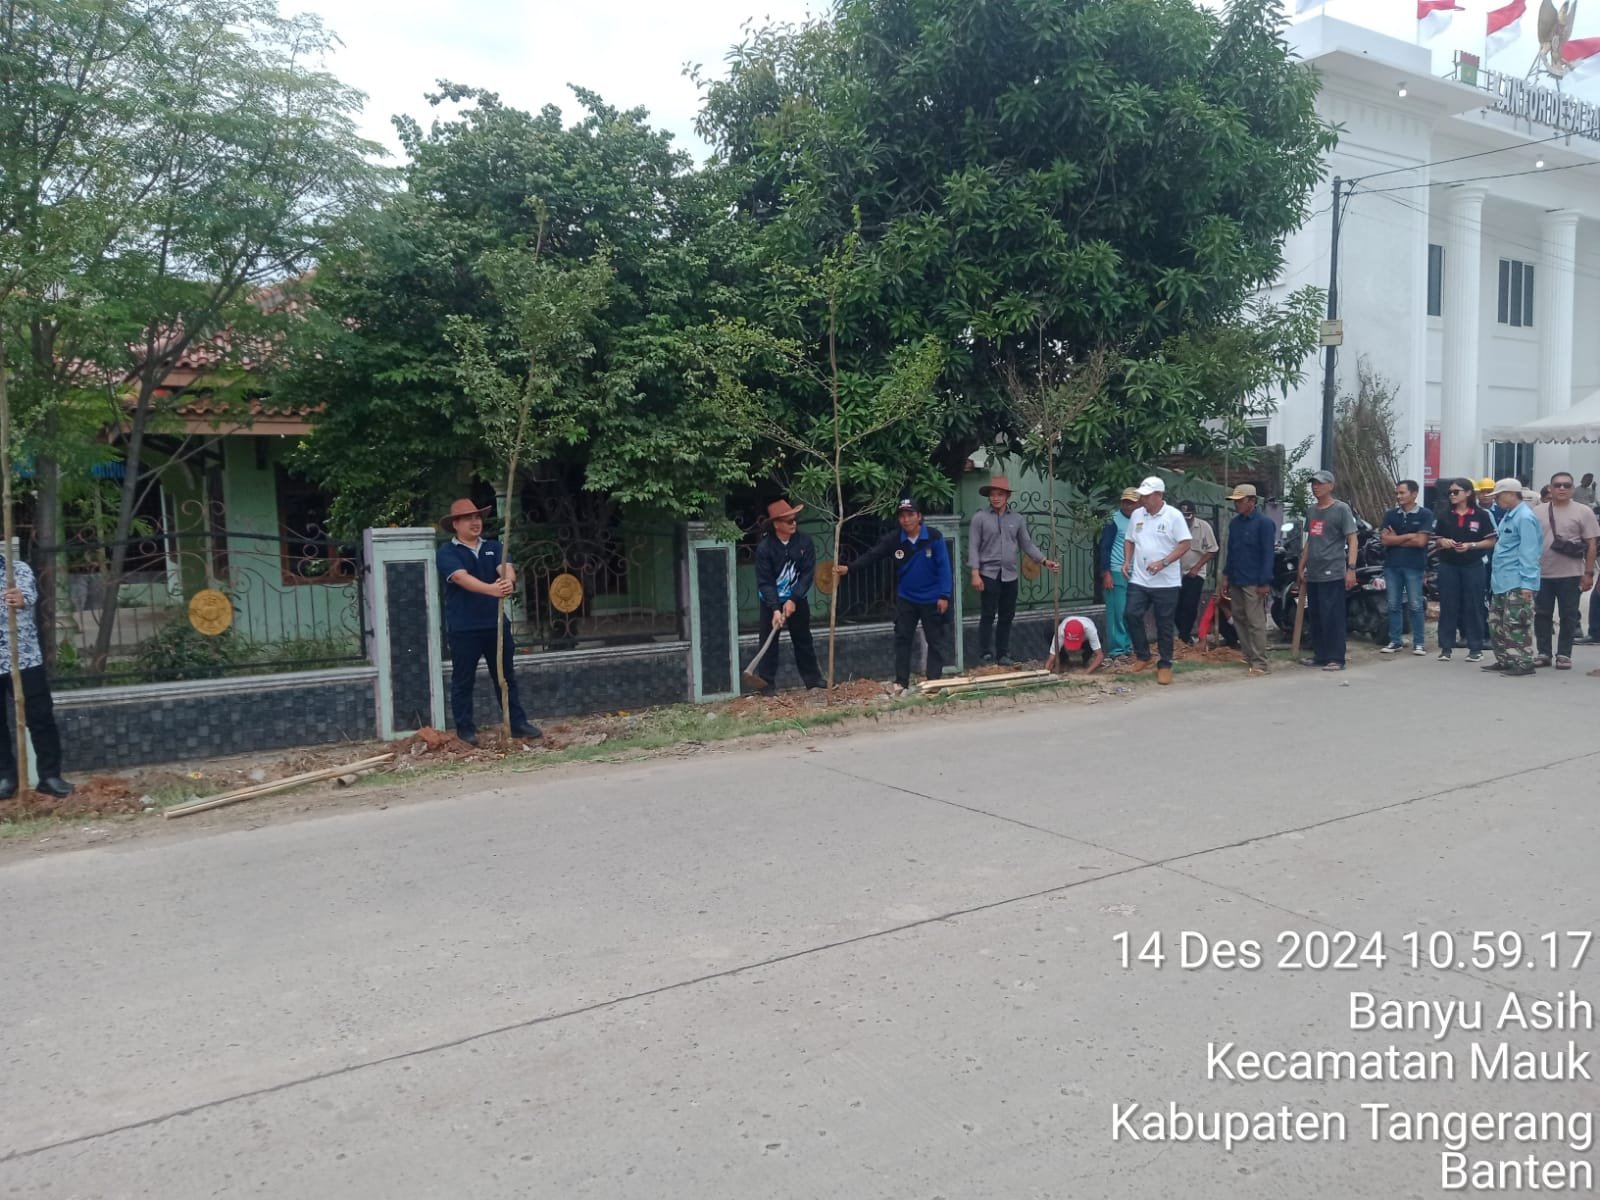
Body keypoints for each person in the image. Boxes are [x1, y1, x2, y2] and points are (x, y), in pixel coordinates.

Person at [435, 498, 540, 745]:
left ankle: (517, 723)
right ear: (455, 524)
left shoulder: (494, 546)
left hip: (496, 625)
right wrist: (492, 590)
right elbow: (461, 578)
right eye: (468, 518)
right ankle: (465, 729)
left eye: (477, 517)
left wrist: (508, 583)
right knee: (463, 680)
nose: (475, 522)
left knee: (505, 678)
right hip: (464, 628)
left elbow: (507, 569)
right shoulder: (447, 552)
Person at [835, 497, 953, 695]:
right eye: (902, 516)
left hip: (932, 598)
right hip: (907, 598)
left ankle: (933, 681)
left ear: (919, 516)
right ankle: (901, 682)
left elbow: (944, 568)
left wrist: (944, 595)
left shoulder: (934, 537)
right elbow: (872, 555)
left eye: (910, 515)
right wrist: (850, 568)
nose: (906, 520)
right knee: (902, 639)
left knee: (935, 641)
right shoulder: (894, 539)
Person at [0, 553, 74, 800]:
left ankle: (50, 777)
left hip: (25, 658)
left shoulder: (17, 569)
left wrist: (20, 599)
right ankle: (5, 777)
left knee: (41, 717)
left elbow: (28, 597)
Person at [968, 475, 1058, 666]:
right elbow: (973, 546)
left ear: (1007, 496)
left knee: (1007, 615)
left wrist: (1044, 561)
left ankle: (1003, 653)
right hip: (988, 573)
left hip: (1010, 574)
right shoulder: (980, 518)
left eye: (1000, 494)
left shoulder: (1017, 519)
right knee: (988, 614)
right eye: (993, 494)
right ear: (989, 497)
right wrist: (975, 573)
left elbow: (1026, 544)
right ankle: (984, 652)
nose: (996, 498)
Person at [1121, 476, 1190, 686]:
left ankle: (1165, 664)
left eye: (1147, 496)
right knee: (1131, 614)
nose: (1143, 499)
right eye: (1142, 496)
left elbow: (1185, 543)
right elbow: (1129, 540)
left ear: (1159, 495)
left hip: (1166, 583)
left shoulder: (1174, 516)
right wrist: (1127, 561)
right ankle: (1143, 655)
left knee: (1164, 624)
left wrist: (1164, 562)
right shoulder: (1137, 515)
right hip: (1140, 579)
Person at [752, 498, 824, 694]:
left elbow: (807, 573)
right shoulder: (765, 548)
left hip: (797, 600)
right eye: (788, 521)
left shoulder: (804, 542)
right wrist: (775, 609)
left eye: (794, 519)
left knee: (803, 640)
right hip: (771, 602)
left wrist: (793, 599)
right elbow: (765, 582)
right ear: (776, 524)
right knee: (768, 643)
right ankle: (766, 685)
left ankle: (813, 680)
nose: (794, 523)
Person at [1533, 471, 1599, 670]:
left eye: (1567, 485)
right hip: (1541, 573)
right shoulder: (1537, 511)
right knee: (1542, 614)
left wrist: (1588, 573)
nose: (1562, 488)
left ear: (1572, 489)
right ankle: (1543, 653)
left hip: (1571, 574)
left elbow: (1592, 544)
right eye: (1558, 485)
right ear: (1550, 488)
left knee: (1568, 616)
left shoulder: (1584, 512)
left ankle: (1564, 654)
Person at [1297, 469, 1358, 672]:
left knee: (1332, 615)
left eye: (1320, 483)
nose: (1315, 487)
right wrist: (1302, 565)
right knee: (1316, 615)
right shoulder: (1311, 511)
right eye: (1313, 483)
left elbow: (1352, 539)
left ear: (1331, 486)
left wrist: (1351, 569)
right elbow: (1310, 540)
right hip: (1314, 572)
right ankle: (1320, 655)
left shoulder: (1341, 509)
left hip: (1333, 571)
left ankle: (1336, 657)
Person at [1484, 478, 1542, 677]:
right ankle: (1505, 659)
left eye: (1499, 496)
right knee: (1497, 623)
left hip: (1518, 581)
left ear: (1511, 494)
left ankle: (1524, 662)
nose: (1496, 500)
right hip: (1501, 581)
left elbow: (1530, 552)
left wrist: (1528, 583)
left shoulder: (1525, 517)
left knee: (1517, 623)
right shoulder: (1509, 516)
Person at [1433, 477, 1495, 663]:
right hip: (1448, 565)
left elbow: (1491, 541)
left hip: (1473, 565)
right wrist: (1442, 541)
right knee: (1448, 605)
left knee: (1474, 605)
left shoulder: (1481, 515)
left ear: (1468, 493)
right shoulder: (1444, 515)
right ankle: (1446, 647)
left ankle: (1475, 647)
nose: (1452, 495)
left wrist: (1471, 545)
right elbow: (1435, 538)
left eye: (1456, 492)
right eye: (1450, 492)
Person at [1218, 483, 1275, 676]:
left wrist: (1264, 582)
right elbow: (1231, 552)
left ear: (1252, 501)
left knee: (1255, 621)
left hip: (1254, 580)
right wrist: (1226, 576)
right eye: (1235, 501)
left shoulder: (1264, 523)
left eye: (1240, 501)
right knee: (1239, 618)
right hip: (1236, 578)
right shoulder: (1235, 524)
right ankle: (1249, 656)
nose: (1237, 505)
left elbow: (1268, 554)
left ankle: (1260, 662)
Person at [1379, 479, 1436, 656]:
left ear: (1414, 494)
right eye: (1397, 493)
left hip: (1414, 565)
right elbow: (1384, 540)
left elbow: (1421, 542)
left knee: (1415, 604)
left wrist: (1396, 539)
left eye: (1402, 493)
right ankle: (1395, 640)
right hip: (1392, 565)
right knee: (1393, 604)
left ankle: (1419, 643)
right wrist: (1409, 536)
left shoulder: (1425, 514)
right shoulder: (1390, 515)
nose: (1398, 496)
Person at [1096, 488, 1138, 660]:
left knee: (1130, 611)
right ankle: (1117, 649)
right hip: (1116, 570)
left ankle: (1127, 646)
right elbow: (1105, 547)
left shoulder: (1140, 520)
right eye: (1125, 502)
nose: (1128, 505)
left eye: (1131, 502)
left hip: (1135, 572)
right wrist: (1106, 573)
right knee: (1117, 612)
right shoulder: (1113, 520)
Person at [1174, 500, 1218, 645]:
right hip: (1175, 574)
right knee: (1175, 606)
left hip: (1195, 573)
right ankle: (1183, 635)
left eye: (1188, 515)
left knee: (1190, 605)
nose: (1186, 519)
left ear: (1194, 514)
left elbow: (1212, 550)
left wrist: (1197, 567)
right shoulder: (1173, 526)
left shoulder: (1203, 527)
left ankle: (1184, 636)